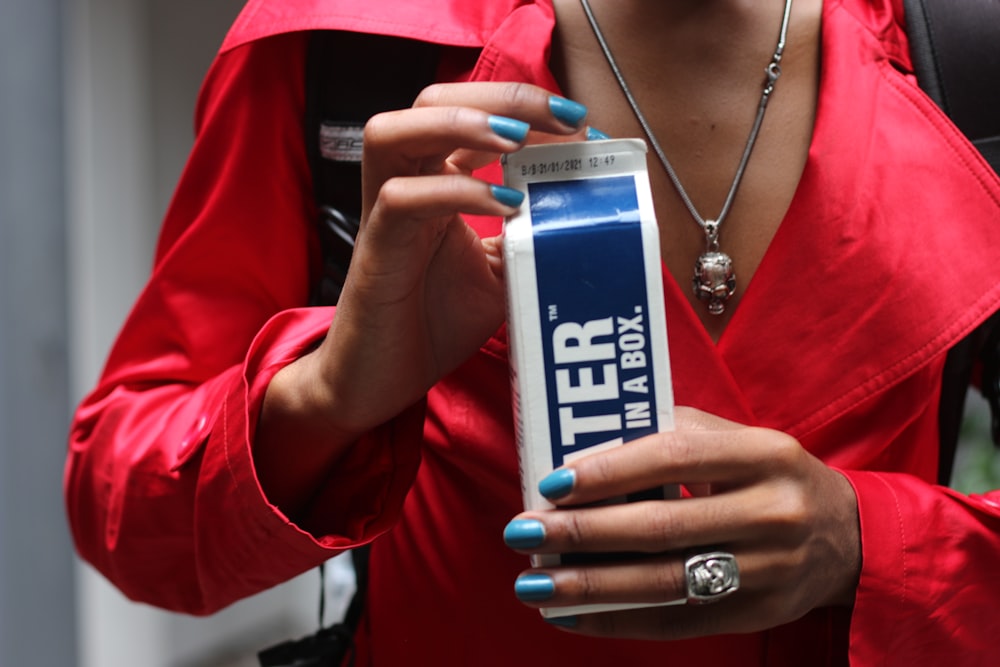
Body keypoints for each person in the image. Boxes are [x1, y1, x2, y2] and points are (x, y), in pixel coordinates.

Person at [64, 0, 1000, 664]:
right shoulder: (354, 49)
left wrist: (869, 542)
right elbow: (125, 515)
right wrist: (330, 392)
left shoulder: (967, 57)